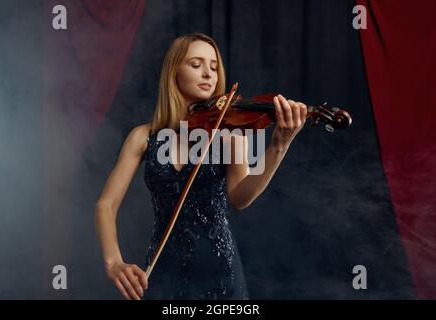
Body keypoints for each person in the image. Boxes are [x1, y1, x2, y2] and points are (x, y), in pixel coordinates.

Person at [95, 33, 308, 300]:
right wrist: (114, 262)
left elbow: (240, 199)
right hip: (162, 270)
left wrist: (279, 146)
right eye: (196, 65)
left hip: (220, 272)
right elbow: (106, 204)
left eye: (214, 67)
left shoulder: (229, 134)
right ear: (174, 72)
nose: (208, 74)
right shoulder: (142, 137)